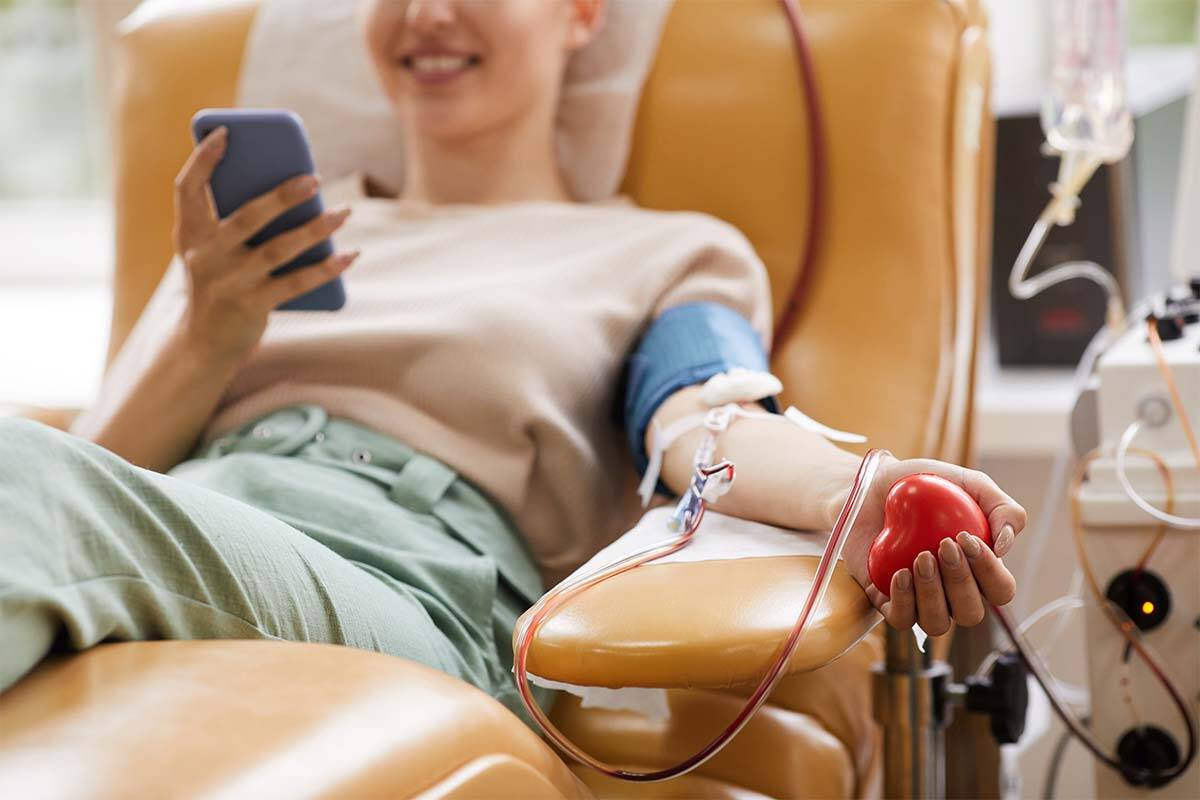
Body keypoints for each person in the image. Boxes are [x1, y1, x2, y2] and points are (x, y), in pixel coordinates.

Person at [0, 0, 1024, 724]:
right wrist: (204, 335)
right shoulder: (255, 242)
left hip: (401, 582)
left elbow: (704, 419)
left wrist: (862, 492)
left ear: (580, 11)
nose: (428, 12)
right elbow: (89, 487)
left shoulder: (662, 250)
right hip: (179, 533)